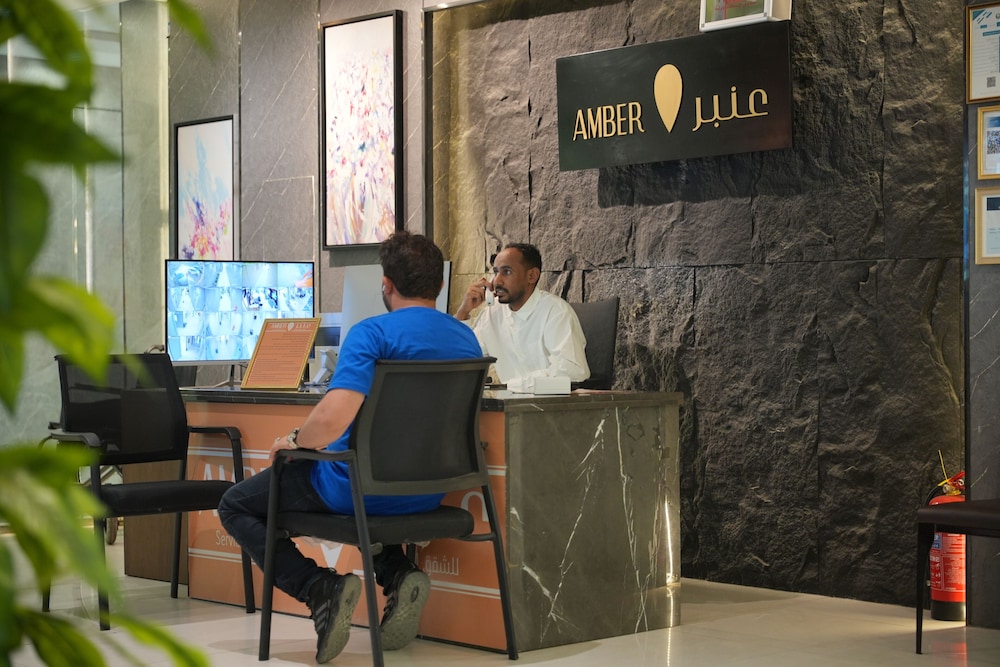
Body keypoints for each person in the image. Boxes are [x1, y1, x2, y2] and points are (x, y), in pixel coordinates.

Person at [218, 231, 482, 663]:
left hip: (354, 489)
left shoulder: (371, 333)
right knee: (369, 483)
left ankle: (318, 587)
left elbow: (333, 418)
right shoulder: (465, 339)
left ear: (386, 284)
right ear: (438, 284)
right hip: (430, 491)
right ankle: (397, 572)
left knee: (235, 505)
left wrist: (293, 442)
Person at [455, 242, 589, 391]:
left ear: (532, 276)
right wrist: (463, 312)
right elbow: (461, 358)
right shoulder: (492, 314)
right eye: (496, 272)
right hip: (509, 402)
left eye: (506, 272)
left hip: (550, 404)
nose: (497, 281)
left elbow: (573, 371)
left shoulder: (556, 312)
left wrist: (513, 386)